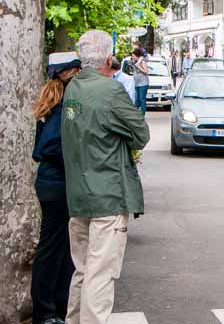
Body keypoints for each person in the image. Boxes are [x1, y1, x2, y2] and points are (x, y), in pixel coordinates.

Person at [62, 30, 150, 324]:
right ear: (109, 58)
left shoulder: (73, 87)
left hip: (79, 194)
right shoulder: (109, 90)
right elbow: (141, 134)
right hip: (108, 194)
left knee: (83, 271)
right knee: (101, 275)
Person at [30, 52, 81, 324]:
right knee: (53, 250)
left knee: (59, 248)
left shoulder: (52, 103)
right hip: (58, 183)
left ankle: (55, 309)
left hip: (52, 183)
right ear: (70, 74)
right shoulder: (63, 107)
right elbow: (47, 148)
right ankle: (46, 312)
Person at [131, 48, 149, 113]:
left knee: (142, 99)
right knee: (137, 99)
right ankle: (136, 113)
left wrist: (138, 66)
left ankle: (142, 113)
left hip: (143, 83)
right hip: (137, 83)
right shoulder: (135, 62)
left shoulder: (142, 61)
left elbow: (146, 71)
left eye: (133, 56)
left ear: (137, 56)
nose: (132, 57)